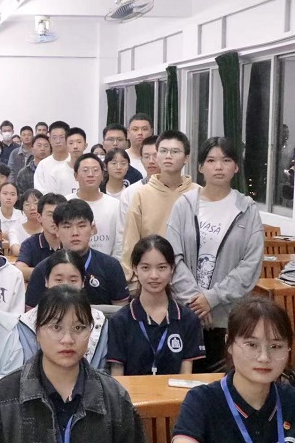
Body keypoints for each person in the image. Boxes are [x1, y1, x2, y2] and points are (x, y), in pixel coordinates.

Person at [0, 284, 151, 443]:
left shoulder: (114, 397)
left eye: (79, 328)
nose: (68, 339)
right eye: (56, 328)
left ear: (91, 332)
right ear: (37, 331)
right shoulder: (2, 399)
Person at [171, 297, 295, 443]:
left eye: (276, 346)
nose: (264, 357)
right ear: (229, 344)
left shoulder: (291, 399)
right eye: (252, 345)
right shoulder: (202, 400)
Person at [167, 136, 263, 372]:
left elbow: (250, 265)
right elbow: (172, 257)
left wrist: (212, 298)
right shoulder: (184, 205)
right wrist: (196, 301)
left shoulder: (247, 209)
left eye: (226, 160)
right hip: (186, 314)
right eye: (211, 160)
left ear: (236, 167)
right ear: (200, 167)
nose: (219, 166)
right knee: (182, 383)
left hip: (228, 318)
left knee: (223, 384)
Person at [107, 235, 204, 376]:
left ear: (172, 269)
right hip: (131, 391)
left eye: (162, 267)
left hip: (174, 391)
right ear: (135, 269)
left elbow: (186, 376)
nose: (154, 275)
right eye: (146, 268)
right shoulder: (120, 321)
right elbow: (117, 376)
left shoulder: (188, 319)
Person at [122, 130, 200, 277]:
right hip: (151, 278)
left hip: (191, 278)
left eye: (175, 151)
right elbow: (130, 244)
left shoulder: (198, 194)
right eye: (163, 151)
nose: (168, 156)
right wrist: (132, 280)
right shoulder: (141, 194)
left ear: (187, 158)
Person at [26, 199, 129, 309]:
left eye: (81, 226)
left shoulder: (110, 266)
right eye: (67, 227)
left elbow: (120, 311)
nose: (75, 233)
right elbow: (31, 313)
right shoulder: (43, 269)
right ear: (56, 230)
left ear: (92, 229)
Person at [16, 250, 110, 368]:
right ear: (46, 281)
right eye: (59, 280)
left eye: (73, 281)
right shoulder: (26, 323)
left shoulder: (99, 322)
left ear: (83, 282)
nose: (65, 286)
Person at [70, 153, 121, 257]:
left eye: (95, 170)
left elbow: (120, 241)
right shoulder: (66, 203)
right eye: (85, 170)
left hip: (107, 263)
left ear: (102, 175)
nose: (90, 174)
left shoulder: (115, 205)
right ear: (75, 176)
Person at [14, 192, 65, 280]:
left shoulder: (71, 241)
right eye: (50, 214)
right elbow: (19, 270)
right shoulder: (30, 244)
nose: (54, 220)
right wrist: (53, 273)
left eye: (58, 214)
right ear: (39, 217)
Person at [33, 121, 76, 196]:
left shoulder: (75, 162)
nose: (58, 141)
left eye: (61, 137)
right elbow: (39, 192)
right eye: (54, 138)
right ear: (50, 140)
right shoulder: (43, 165)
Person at [8, 188, 43, 255]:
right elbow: (15, 250)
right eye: (27, 204)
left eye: (36, 203)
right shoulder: (15, 230)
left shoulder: (48, 228)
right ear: (22, 209)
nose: (32, 208)